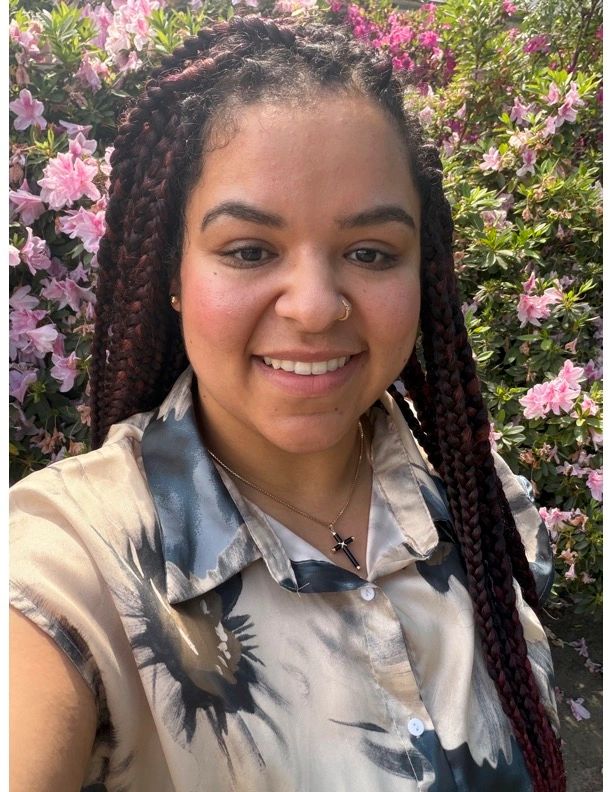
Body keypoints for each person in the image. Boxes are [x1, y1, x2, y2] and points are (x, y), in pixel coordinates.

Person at [9, 15, 565, 792]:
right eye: (248, 250)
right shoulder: (68, 567)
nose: (314, 306)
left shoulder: (482, 501)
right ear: (174, 273)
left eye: (370, 252)